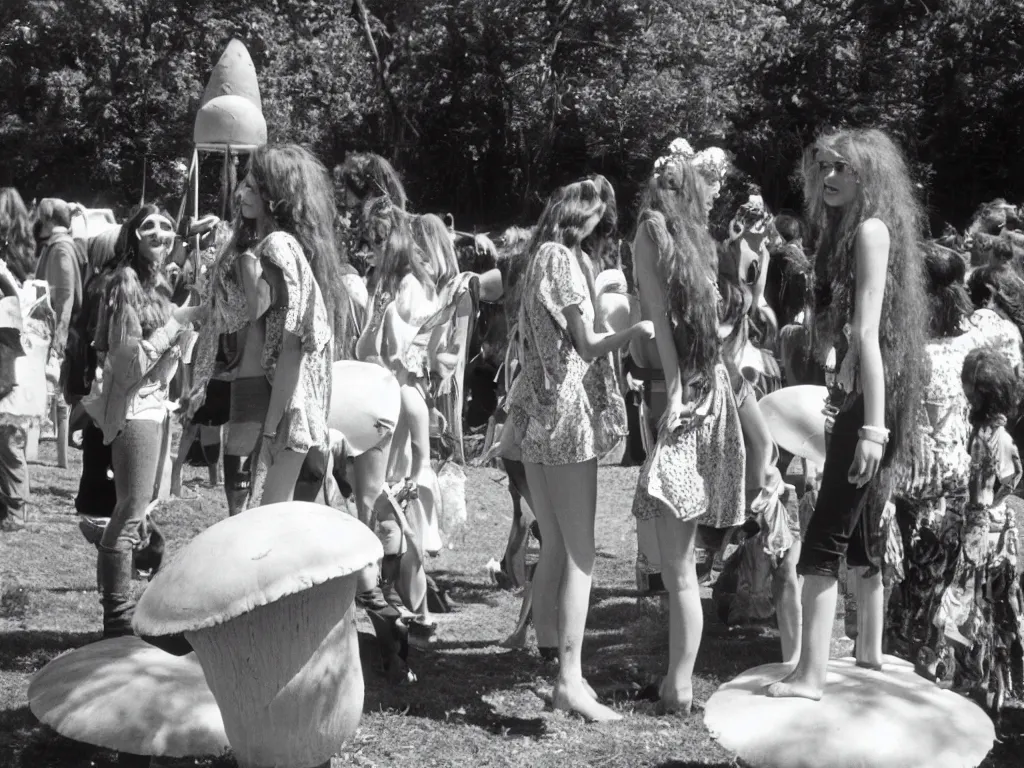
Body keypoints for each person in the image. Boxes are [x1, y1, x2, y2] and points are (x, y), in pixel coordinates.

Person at [766, 128, 928, 700]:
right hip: (861, 396)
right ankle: (869, 650)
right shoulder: (855, 230)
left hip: (867, 403)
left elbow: (868, 334)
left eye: (843, 169)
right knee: (859, 531)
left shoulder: (869, 230)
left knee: (823, 540)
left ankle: (810, 676)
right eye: (826, 166)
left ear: (869, 177)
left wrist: (873, 430)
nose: (829, 177)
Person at [504, 177, 653, 722]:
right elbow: (587, 345)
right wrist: (634, 328)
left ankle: (551, 655)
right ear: (582, 218)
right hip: (566, 414)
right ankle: (570, 678)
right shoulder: (564, 260)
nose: (602, 229)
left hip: (537, 414)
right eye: (598, 219)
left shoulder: (536, 257)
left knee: (559, 545)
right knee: (583, 553)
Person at [630, 150, 748, 713]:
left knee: (678, 569)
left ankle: (678, 689)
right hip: (714, 396)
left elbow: (662, 333)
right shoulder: (697, 242)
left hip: (694, 401)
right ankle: (675, 680)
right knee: (680, 563)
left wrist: (675, 398)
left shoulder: (652, 235)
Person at [887, 243, 1021, 676]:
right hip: (959, 480)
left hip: (915, 480)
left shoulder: (906, 350)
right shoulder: (977, 339)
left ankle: (914, 653)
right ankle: (943, 656)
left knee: (915, 574)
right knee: (947, 577)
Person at [83, 204, 197, 637]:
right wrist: (177, 323)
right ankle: (117, 618)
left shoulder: (161, 281)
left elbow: (165, 353)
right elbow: (129, 365)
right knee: (130, 511)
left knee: (136, 508)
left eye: (166, 227)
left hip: (155, 407)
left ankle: (129, 600)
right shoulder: (124, 283)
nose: (159, 232)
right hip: (134, 409)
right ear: (132, 235)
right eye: (148, 225)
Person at [33, 198, 83, 468]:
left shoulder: (62, 247)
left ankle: (61, 458)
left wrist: (59, 337)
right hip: (51, 326)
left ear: (50, 220)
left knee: (58, 395)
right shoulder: (58, 245)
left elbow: (65, 296)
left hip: (56, 329)